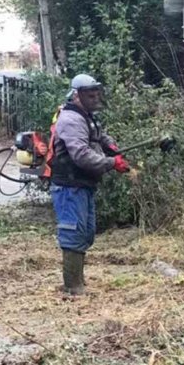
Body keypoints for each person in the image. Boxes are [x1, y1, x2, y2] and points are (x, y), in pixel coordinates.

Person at [48, 74, 130, 295]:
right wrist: (112, 162)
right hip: (69, 185)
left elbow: (99, 136)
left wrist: (110, 145)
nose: (94, 98)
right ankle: (72, 287)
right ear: (76, 95)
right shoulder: (71, 119)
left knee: (86, 233)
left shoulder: (87, 116)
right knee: (73, 233)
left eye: (96, 94)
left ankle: (78, 282)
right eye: (89, 94)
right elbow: (82, 155)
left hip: (83, 184)